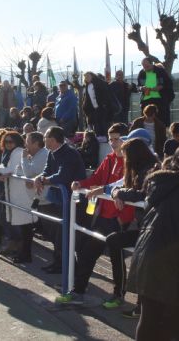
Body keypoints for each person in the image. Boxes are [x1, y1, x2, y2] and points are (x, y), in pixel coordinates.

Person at [128, 145, 179, 341]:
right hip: (173, 258)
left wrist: (117, 193)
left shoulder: (159, 181)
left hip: (147, 253)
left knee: (150, 316)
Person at [56, 123, 134, 305]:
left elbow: (124, 185)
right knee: (89, 253)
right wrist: (80, 183)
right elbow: (97, 178)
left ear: (126, 139)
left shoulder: (130, 162)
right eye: (111, 139)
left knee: (117, 258)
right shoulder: (109, 159)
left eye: (117, 139)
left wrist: (99, 190)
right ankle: (77, 291)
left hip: (119, 217)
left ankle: (119, 295)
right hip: (104, 216)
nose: (113, 143)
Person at [103, 138, 160, 315]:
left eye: (126, 155)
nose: (124, 159)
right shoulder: (138, 170)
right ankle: (120, 292)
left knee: (142, 261)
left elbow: (142, 194)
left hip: (154, 229)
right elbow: (117, 186)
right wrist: (115, 192)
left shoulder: (152, 170)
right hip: (144, 228)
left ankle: (141, 306)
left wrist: (119, 193)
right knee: (113, 240)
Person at [34, 126, 86, 274]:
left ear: (52, 139)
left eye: (45, 138)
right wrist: (40, 177)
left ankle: (69, 266)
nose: (44, 140)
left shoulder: (69, 153)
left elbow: (63, 176)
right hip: (58, 200)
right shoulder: (52, 153)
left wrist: (44, 180)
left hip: (72, 201)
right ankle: (59, 262)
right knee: (57, 233)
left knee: (65, 234)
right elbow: (47, 170)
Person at [15, 131, 49, 263]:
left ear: (36, 143)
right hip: (37, 198)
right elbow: (22, 172)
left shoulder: (42, 155)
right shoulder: (35, 156)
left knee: (53, 232)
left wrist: (24, 158)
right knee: (33, 227)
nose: (25, 145)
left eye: (28, 142)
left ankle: (62, 263)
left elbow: (28, 173)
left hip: (45, 199)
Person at [137, 57, 171, 125]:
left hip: (160, 101)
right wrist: (141, 88)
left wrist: (154, 88)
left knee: (160, 121)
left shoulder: (160, 71)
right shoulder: (141, 73)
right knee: (146, 121)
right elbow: (138, 86)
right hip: (146, 101)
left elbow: (165, 84)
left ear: (152, 64)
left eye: (147, 66)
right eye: (143, 66)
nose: (145, 68)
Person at [82, 71, 114, 137]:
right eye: (85, 77)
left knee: (103, 128)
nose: (86, 78)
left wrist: (104, 105)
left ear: (92, 76)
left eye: (88, 76)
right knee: (96, 129)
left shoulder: (100, 83)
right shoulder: (87, 86)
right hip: (94, 110)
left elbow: (106, 95)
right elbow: (87, 99)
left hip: (103, 109)